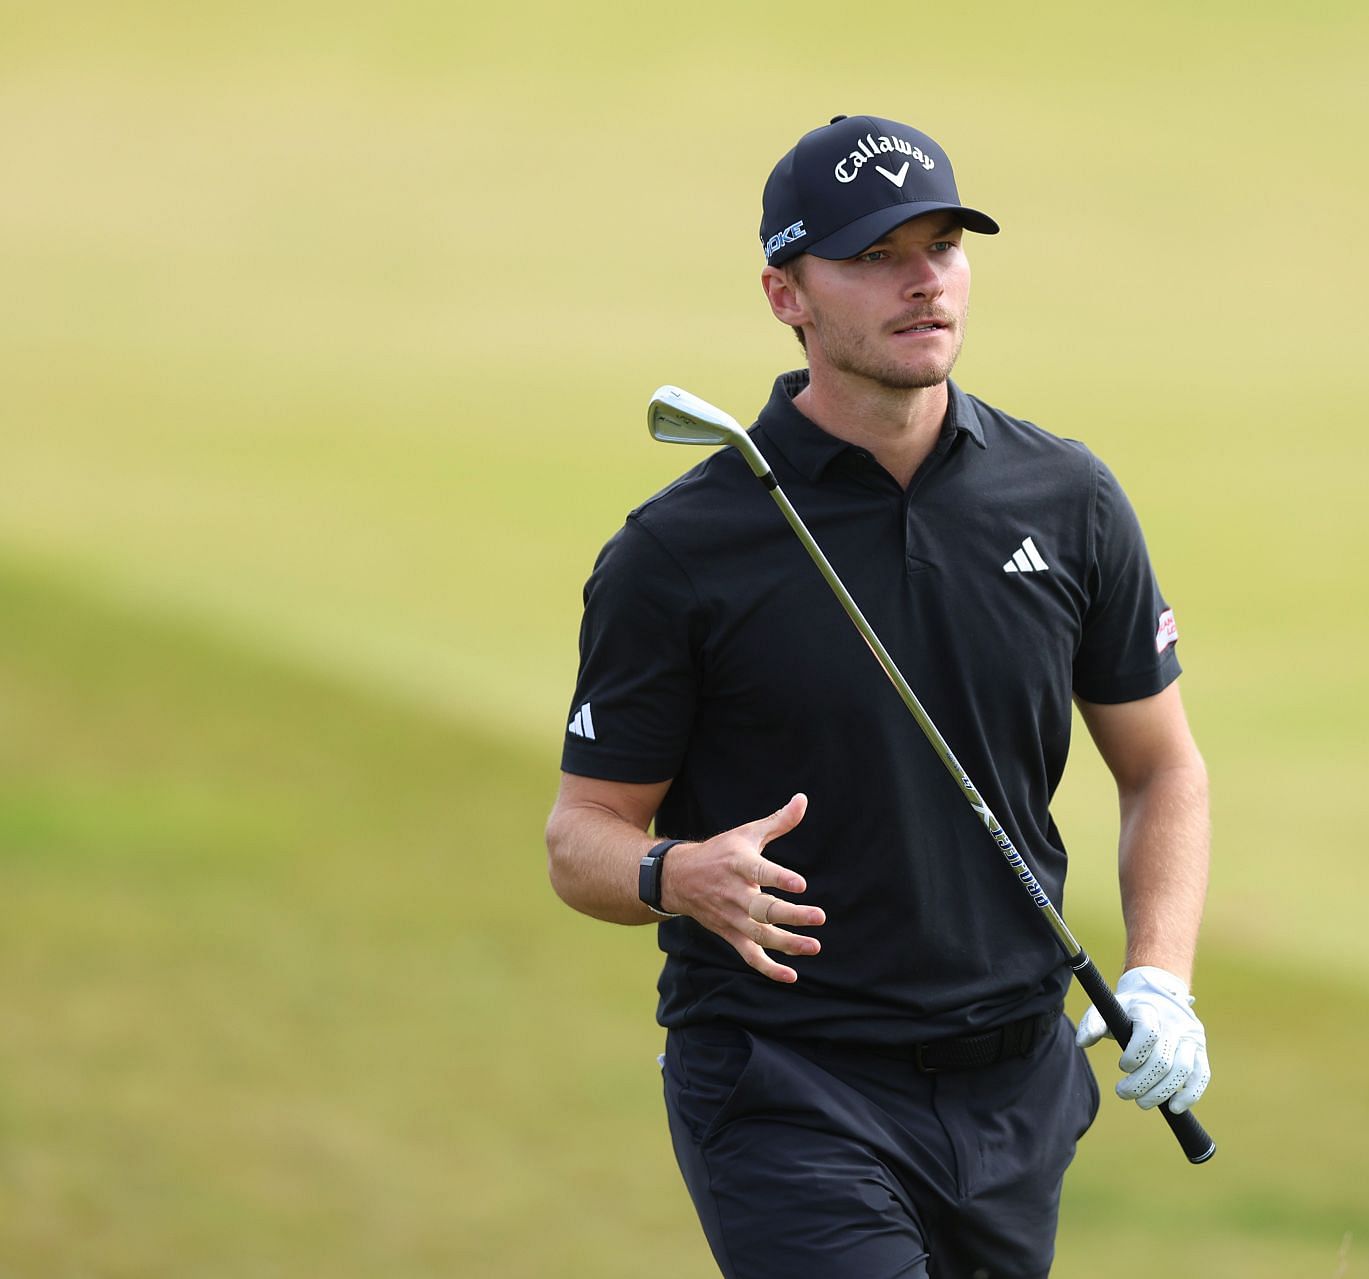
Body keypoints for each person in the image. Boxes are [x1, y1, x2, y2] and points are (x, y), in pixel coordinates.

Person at [545, 113, 1211, 1278]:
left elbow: (1163, 768)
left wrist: (1160, 975)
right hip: (787, 1083)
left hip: (1016, 1085)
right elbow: (579, 838)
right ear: (784, 294)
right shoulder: (681, 550)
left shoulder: (1067, 499)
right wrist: (674, 874)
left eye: (942, 245)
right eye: (872, 258)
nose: (922, 284)